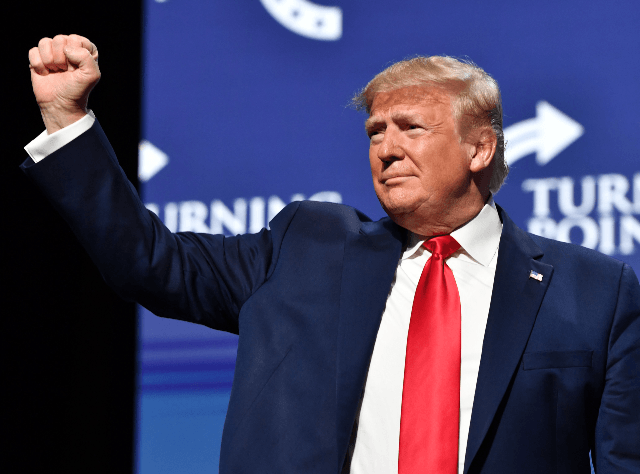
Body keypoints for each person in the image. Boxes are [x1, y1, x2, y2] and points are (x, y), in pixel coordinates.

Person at [24, 34, 640, 474]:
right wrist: (65, 117)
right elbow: (148, 261)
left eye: (411, 128)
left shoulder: (593, 290)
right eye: (376, 132)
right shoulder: (305, 248)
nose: (386, 148)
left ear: (480, 150)